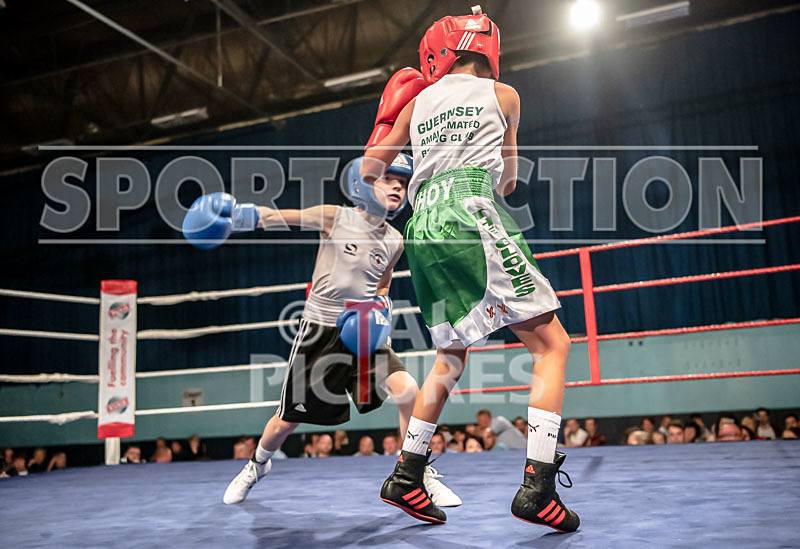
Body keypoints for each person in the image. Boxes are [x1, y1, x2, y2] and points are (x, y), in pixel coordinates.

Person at [361, 7, 578, 530]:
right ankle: (538, 486)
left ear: (437, 54)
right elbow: (506, 182)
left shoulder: (415, 102)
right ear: (488, 52)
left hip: (421, 228)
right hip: (469, 211)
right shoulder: (505, 96)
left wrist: (391, 121)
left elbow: (369, 170)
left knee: (449, 357)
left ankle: (407, 474)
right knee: (553, 346)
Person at [198, 155, 460, 508]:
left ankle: (416, 473)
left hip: (364, 333)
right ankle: (257, 465)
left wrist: (382, 308)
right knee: (285, 422)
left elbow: (382, 289)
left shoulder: (396, 241)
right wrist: (236, 216)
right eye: (389, 179)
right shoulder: (336, 217)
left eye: (403, 181)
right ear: (366, 184)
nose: (398, 186)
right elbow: (276, 217)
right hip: (319, 332)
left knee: (408, 390)